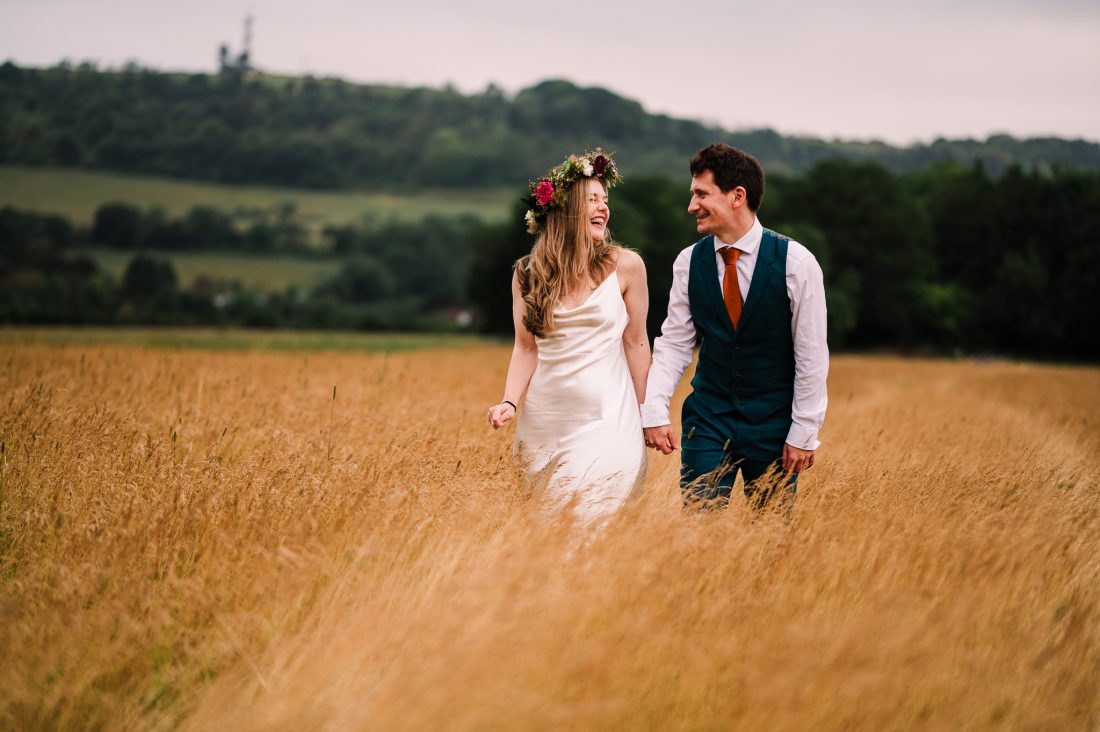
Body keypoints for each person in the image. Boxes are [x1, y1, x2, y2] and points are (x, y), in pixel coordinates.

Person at [641, 143, 828, 509]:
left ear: (737, 196)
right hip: (708, 420)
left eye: (701, 194)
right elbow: (675, 343)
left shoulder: (797, 262)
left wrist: (804, 431)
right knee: (699, 528)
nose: (691, 206)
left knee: (772, 534)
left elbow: (811, 354)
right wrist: (654, 410)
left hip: (774, 425)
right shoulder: (687, 262)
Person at [487, 150, 650, 524]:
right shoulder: (527, 274)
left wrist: (650, 414)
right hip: (546, 424)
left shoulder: (627, 267)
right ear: (563, 209)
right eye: (592, 199)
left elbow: (637, 342)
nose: (603, 208)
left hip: (610, 418)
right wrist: (509, 402)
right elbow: (525, 348)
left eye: (605, 201)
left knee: (592, 521)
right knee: (550, 531)